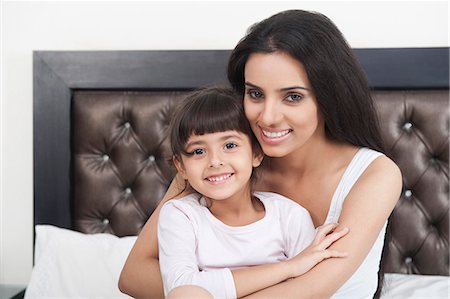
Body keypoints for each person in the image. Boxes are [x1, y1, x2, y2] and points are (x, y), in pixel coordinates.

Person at [119, 9, 402, 299]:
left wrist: (198, 290)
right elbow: (134, 275)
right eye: (255, 94)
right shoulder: (220, 165)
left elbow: (309, 289)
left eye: (292, 97)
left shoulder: (375, 175)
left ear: (329, 96)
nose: (267, 117)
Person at [158, 87, 348, 298]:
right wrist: (289, 267)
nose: (215, 161)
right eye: (198, 151)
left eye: (230, 145)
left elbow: (305, 288)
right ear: (181, 166)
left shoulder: (289, 216)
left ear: (256, 154)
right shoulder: (180, 215)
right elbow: (181, 285)